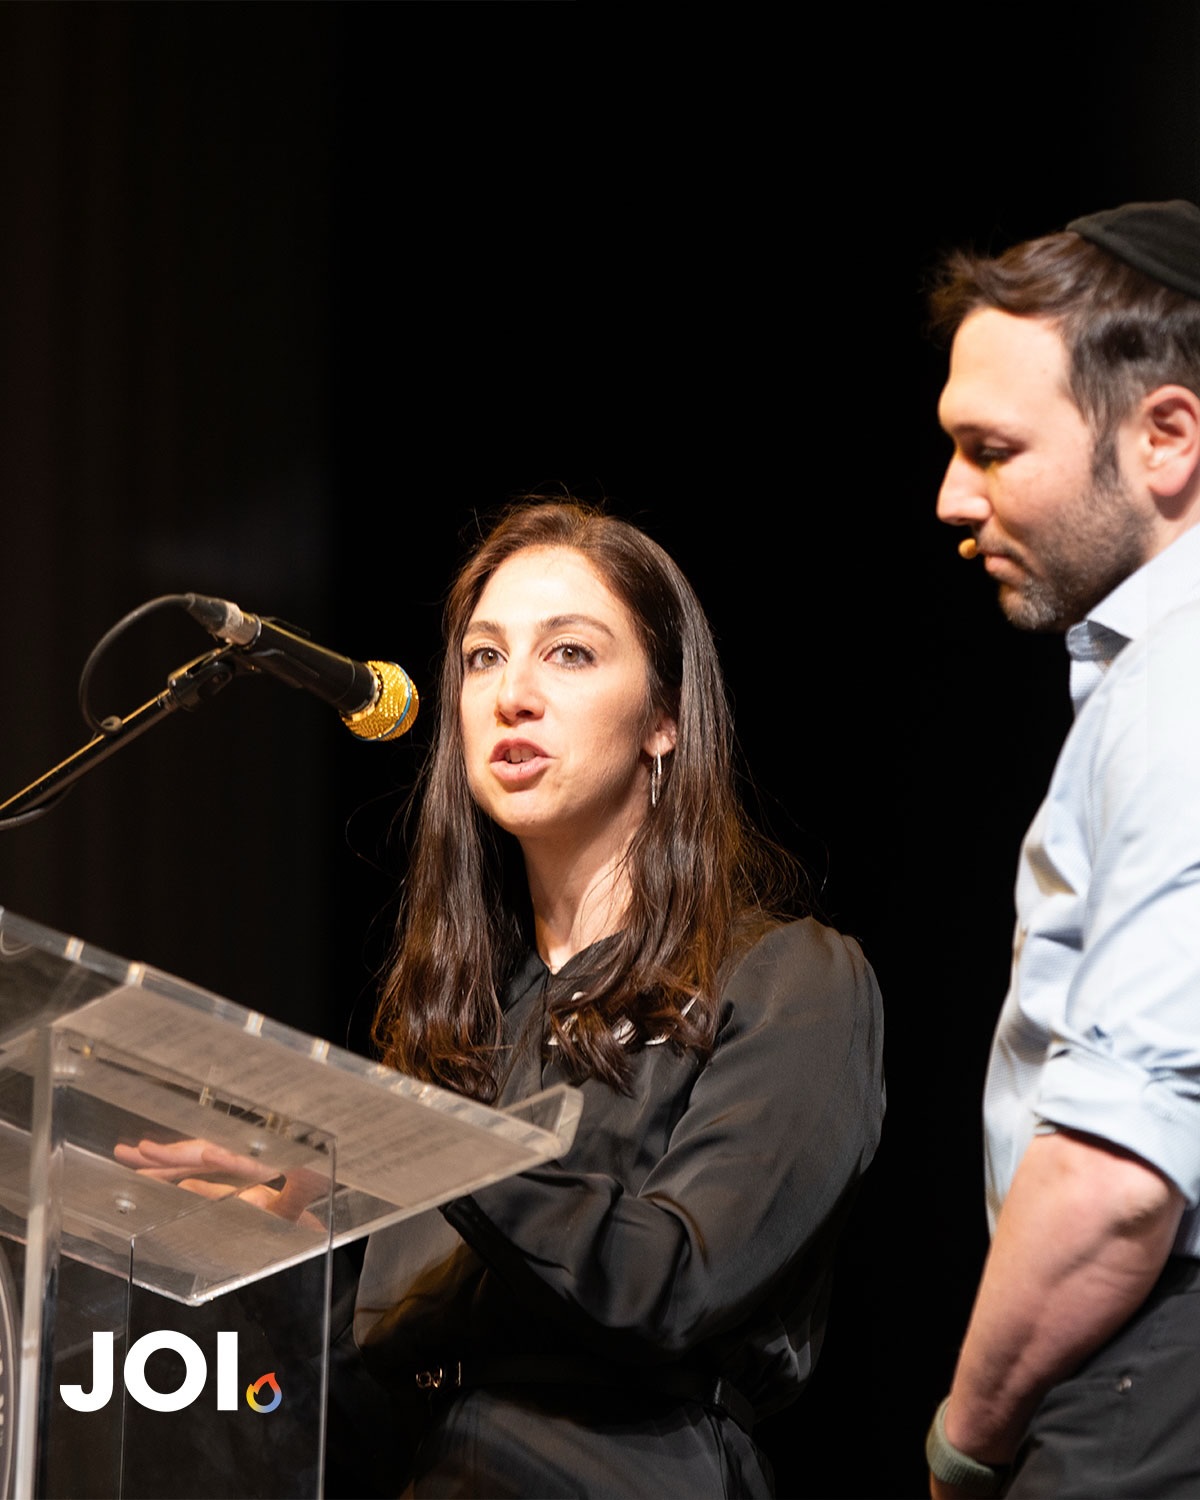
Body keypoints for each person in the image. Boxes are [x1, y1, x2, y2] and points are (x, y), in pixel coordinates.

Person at [352, 499, 884, 1498]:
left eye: (570, 654)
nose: (512, 694)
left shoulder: (790, 978)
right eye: (482, 657)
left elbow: (672, 1284)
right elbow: (376, 1353)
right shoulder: (464, 1024)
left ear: (665, 720)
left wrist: (429, 1141)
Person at [926, 200, 1200, 1499]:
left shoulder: (1188, 684)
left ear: (1166, 437)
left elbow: (1122, 1162)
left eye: (991, 448)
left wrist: (966, 1438)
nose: (950, 497)